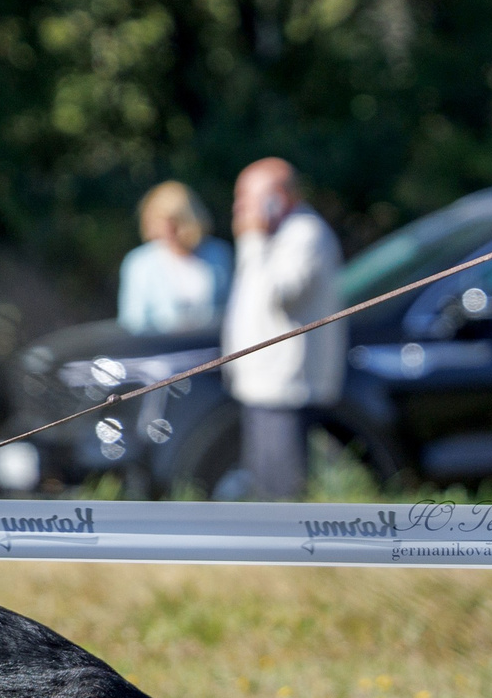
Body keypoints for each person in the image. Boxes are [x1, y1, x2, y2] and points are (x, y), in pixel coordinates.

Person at [217, 157, 345, 500]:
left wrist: (254, 239)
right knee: (263, 485)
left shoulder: (306, 235)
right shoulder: (279, 236)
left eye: (248, 196)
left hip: (287, 386)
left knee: (282, 491)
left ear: (278, 196)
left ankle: (288, 554)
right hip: (263, 384)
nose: (239, 207)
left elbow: (280, 295)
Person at [117, 181, 233, 334]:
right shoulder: (139, 263)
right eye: (159, 221)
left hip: (211, 347)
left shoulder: (219, 253)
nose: (167, 229)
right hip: (161, 353)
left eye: (174, 222)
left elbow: (232, 310)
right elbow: (132, 323)